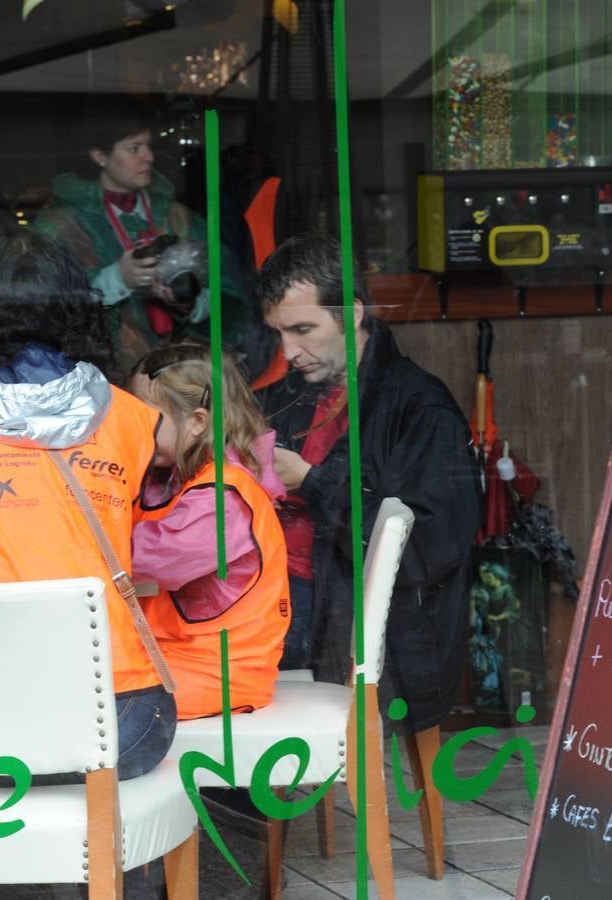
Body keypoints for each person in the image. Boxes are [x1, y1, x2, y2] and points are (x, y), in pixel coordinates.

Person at [0, 230, 176, 780]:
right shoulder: (136, 420)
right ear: (77, 309)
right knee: (111, 767)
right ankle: (109, 862)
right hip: (114, 719)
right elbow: (132, 549)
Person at [256, 235, 480, 734]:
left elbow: (426, 546)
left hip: (366, 631)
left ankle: (240, 802)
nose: (289, 351)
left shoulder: (420, 406)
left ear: (351, 312)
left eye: (303, 329)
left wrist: (313, 482)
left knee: (204, 678)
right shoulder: (283, 398)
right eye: (279, 333)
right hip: (286, 606)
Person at [128, 343, 291, 719]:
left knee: (86, 699)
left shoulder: (222, 499)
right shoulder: (177, 479)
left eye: (145, 417)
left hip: (217, 672)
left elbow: (144, 562)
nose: (132, 427)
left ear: (198, 422)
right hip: (178, 658)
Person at [32, 112, 247, 376]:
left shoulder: (177, 215)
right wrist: (117, 279)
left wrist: (188, 303)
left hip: (185, 374)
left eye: (148, 146)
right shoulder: (61, 225)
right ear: (100, 156)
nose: (149, 157)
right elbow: (42, 307)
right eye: (134, 148)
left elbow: (231, 289)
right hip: (108, 381)